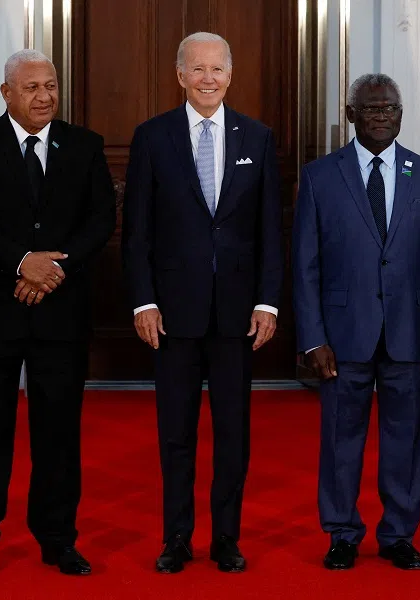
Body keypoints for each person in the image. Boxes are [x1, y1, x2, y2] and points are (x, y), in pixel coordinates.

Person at [0, 49, 115, 579]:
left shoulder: (84, 145)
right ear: (6, 93)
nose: (45, 96)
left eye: (51, 85)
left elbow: (101, 219)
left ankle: (58, 539)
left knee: (59, 435)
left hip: (59, 316)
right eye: (32, 87)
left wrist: (51, 272)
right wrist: (23, 262)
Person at [122, 31, 282, 574]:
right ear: (180, 75)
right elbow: (136, 232)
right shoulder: (152, 137)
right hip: (173, 313)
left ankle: (226, 539)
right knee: (177, 433)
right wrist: (143, 302)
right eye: (198, 69)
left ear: (230, 75)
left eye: (217, 69)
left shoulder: (257, 138)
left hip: (239, 315)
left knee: (233, 433)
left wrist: (269, 302)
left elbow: (269, 231)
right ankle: (176, 538)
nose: (208, 78)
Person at [292, 73, 420, 572]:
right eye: (371, 108)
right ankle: (342, 532)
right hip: (343, 335)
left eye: (390, 108)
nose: (382, 115)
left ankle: (398, 534)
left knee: (406, 440)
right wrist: (313, 336)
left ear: (401, 114)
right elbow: (305, 265)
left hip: (412, 333)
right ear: (351, 115)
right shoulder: (321, 176)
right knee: (341, 439)